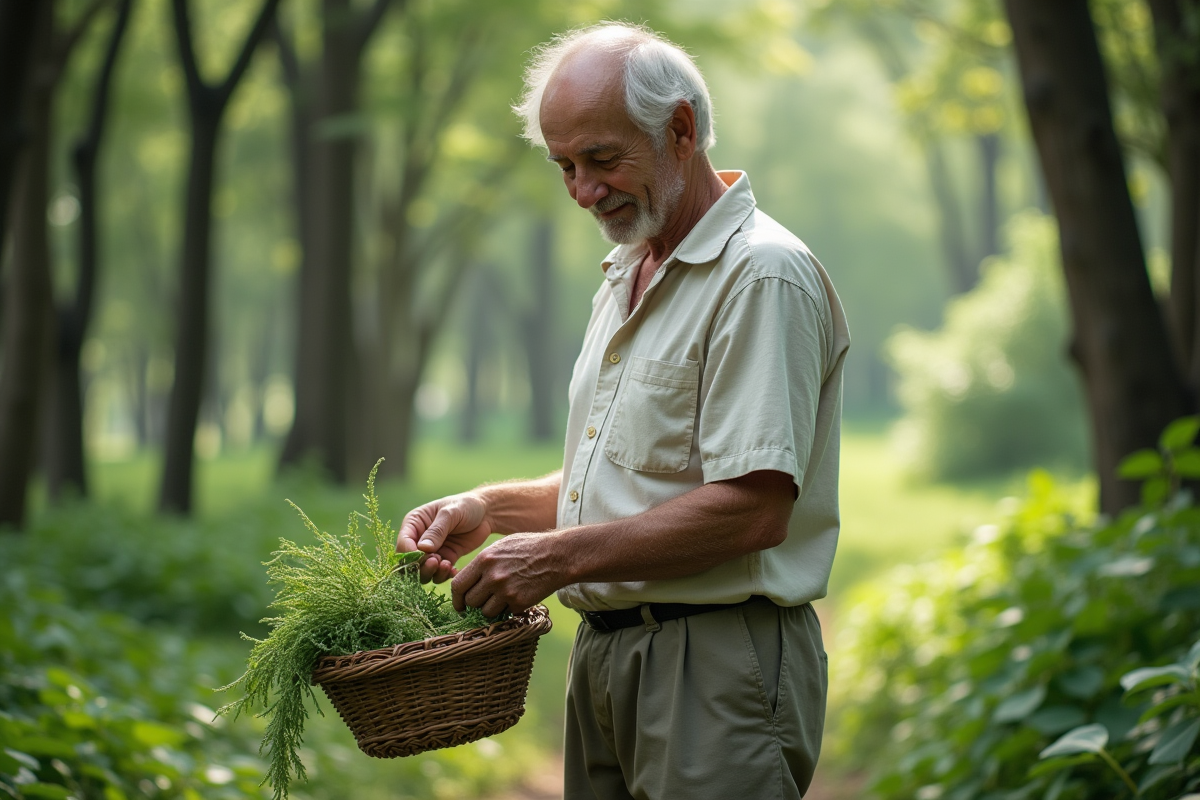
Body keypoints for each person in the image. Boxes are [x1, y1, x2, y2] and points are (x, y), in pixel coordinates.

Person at [396, 21, 850, 800]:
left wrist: (557, 558)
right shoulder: (630, 272)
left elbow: (753, 510)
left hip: (714, 670)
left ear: (680, 129)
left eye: (602, 159)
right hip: (607, 661)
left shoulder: (761, 276)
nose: (582, 189)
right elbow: (626, 481)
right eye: (564, 165)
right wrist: (492, 509)